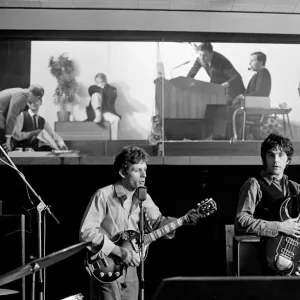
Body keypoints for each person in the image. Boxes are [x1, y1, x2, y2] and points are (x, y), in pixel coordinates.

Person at [79, 145, 202, 300]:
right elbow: (86, 233)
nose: (144, 175)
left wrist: (182, 221)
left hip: (131, 266)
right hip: (107, 265)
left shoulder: (144, 197)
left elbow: (158, 223)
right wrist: (120, 252)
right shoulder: (103, 195)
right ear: (123, 172)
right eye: (137, 170)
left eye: (145, 170)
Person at [235, 133, 300, 274]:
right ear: (265, 158)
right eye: (271, 155)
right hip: (261, 261)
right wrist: (280, 226)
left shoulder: (296, 188)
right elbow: (241, 221)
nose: (276, 160)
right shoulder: (254, 184)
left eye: (281, 155)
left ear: (288, 160)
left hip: (291, 260)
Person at [0, 84, 44, 152]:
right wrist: (7, 140)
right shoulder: (22, 96)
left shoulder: (22, 93)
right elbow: (11, 117)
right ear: (38, 97)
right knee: (4, 148)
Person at [86, 73, 121, 140]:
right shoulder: (93, 88)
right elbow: (91, 89)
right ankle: (98, 113)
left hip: (106, 112)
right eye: (97, 82)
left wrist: (103, 88)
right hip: (95, 114)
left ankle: (114, 141)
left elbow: (112, 96)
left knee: (116, 119)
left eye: (101, 82)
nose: (99, 84)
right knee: (96, 95)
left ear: (105, 81)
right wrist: (101, 90)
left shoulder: (112, 89)